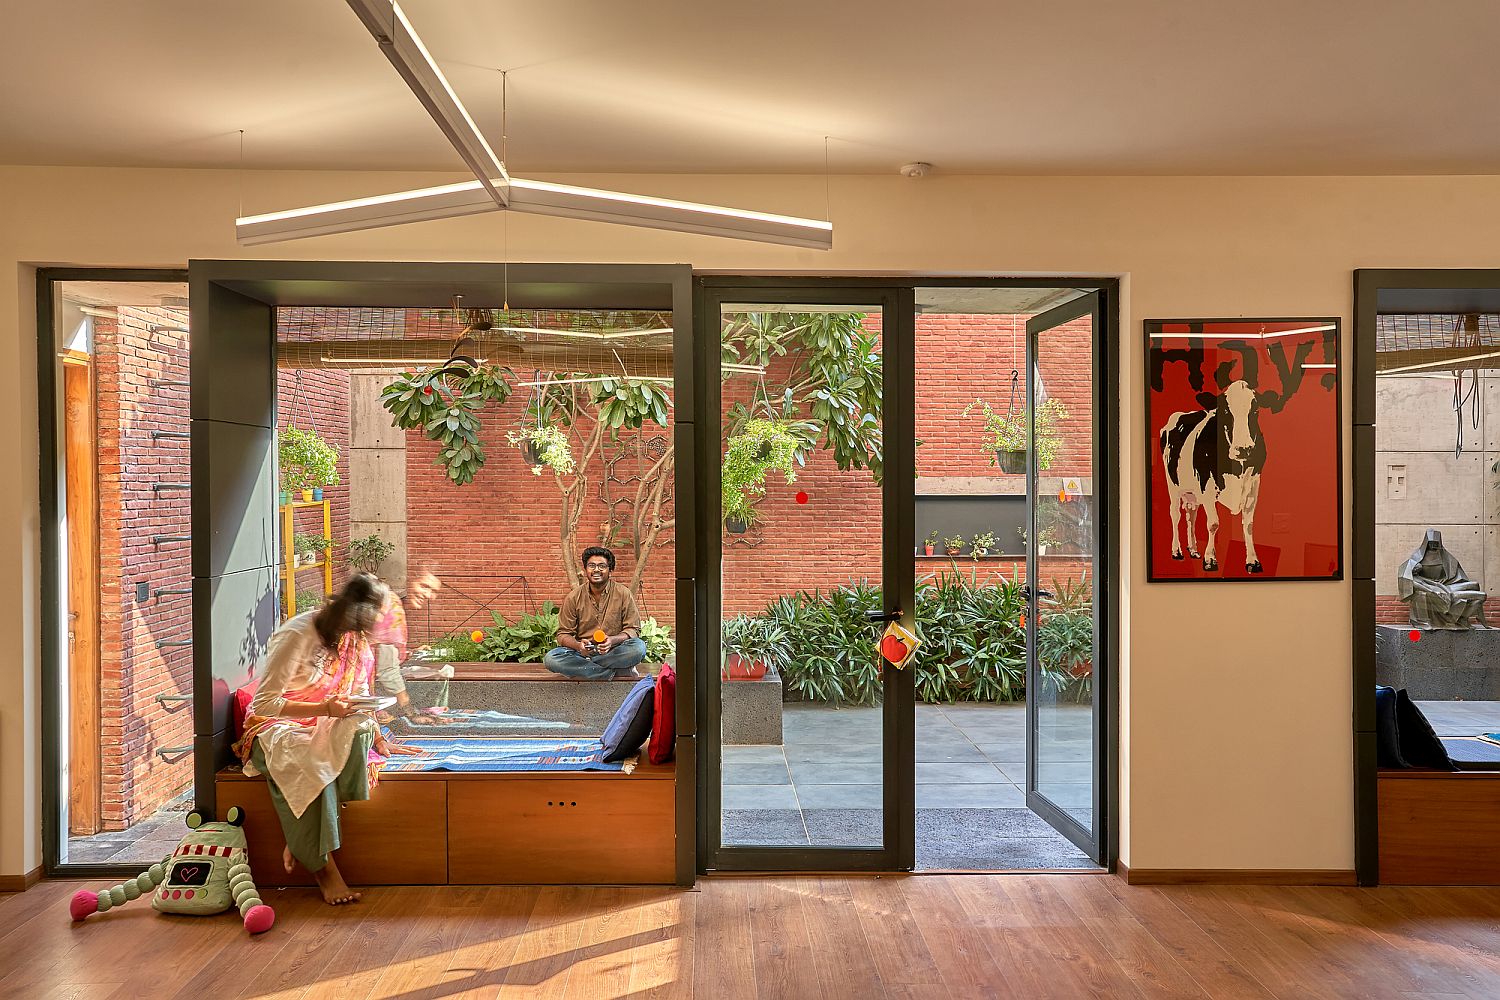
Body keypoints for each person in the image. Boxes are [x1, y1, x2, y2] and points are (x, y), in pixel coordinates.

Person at [232, 573, 423, 905]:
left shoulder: (354, 639)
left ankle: (301, 830)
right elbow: (265, 704)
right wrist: (325, 708)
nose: (365, 635)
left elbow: (360, 694)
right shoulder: (297, 634)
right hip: (275, 726)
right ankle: (325, 871)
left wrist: (378, 737)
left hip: (325, 719)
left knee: (360, 730)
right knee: (309, 760)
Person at [543, 546, 648, 679]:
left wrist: (612, 640)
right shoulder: (573, 597)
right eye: (591, 565)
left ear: (610, 571)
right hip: (583, 652)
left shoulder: (623, 594)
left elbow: (633, 629)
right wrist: (578, 646)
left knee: (638, 648)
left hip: (614, 650)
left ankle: (586, 668)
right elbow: (563, 634)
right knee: (551, 659)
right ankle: (613, 672)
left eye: (602, 566)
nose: (596, 570)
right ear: (586, 569)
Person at [370, 566, 451, 725]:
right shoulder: (392, 605)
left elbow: (378, 649)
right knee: (437, 675)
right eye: (424, 586)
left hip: (367, 687)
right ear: (409, 580)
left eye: (433, 591)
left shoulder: (391, 600)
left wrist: (409, 652)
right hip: (367, 692)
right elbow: (387, 671)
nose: (429, 595)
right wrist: (411, 713)